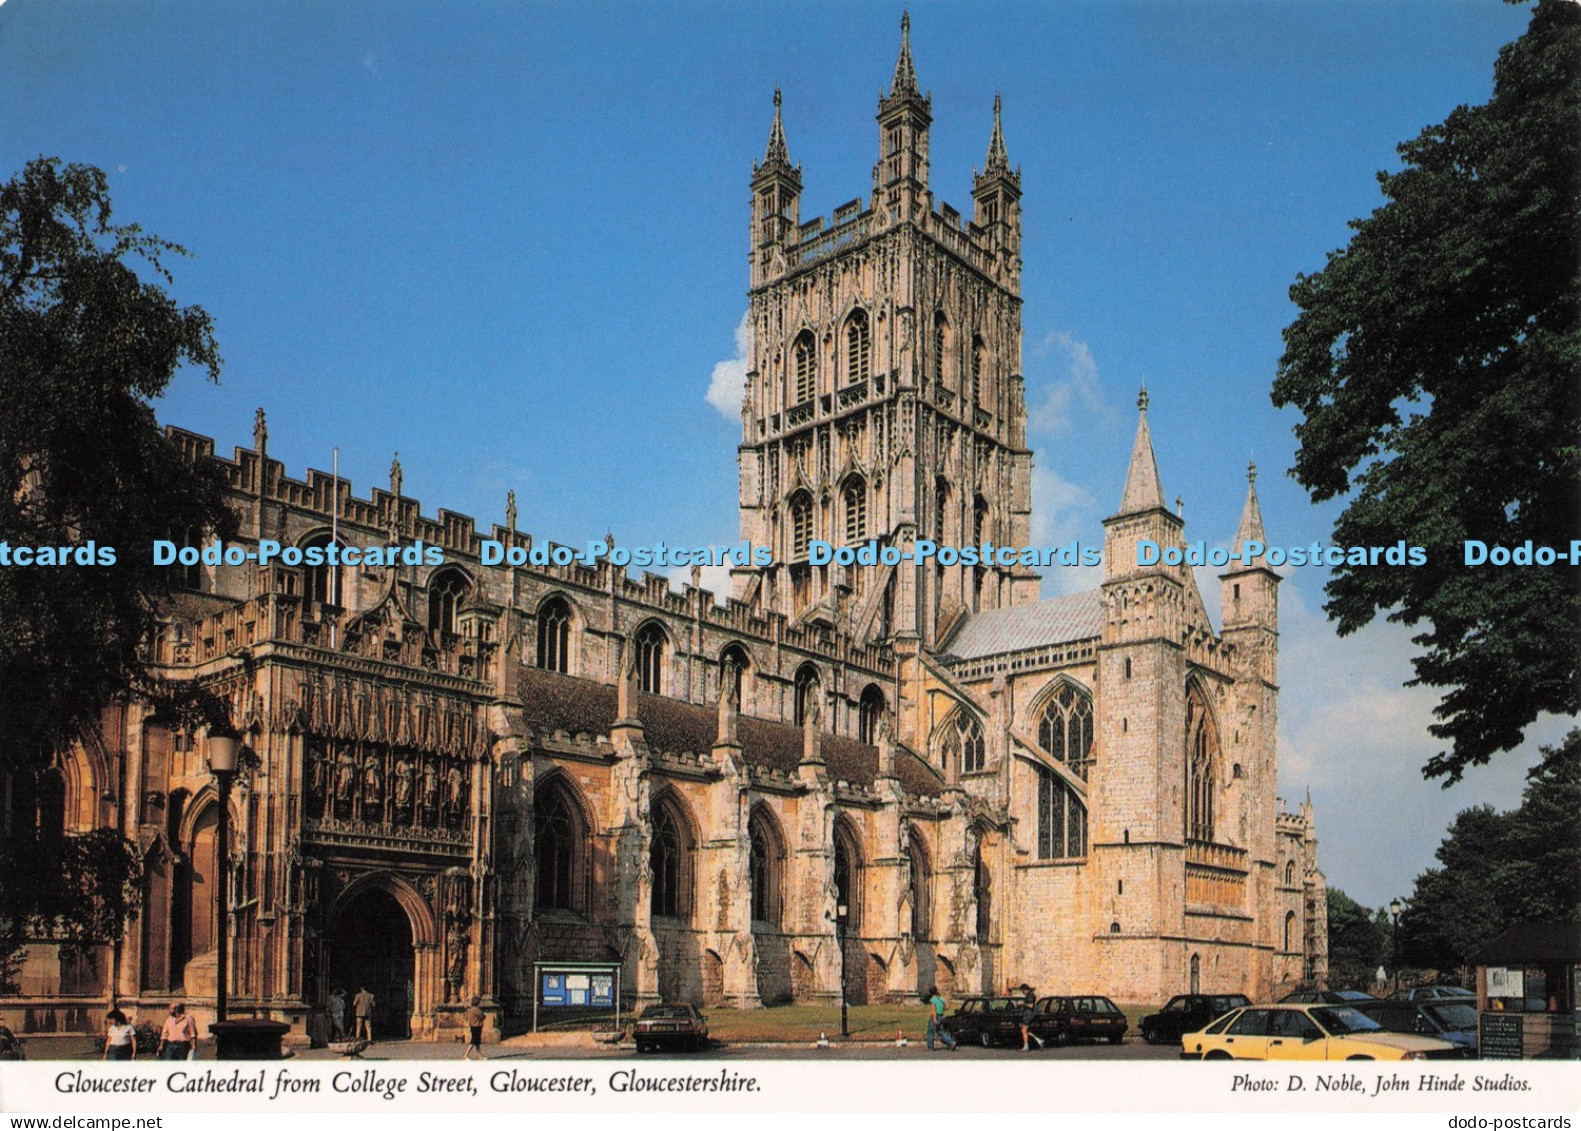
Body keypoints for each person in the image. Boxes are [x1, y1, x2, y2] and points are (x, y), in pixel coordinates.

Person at [924, 986, 957, 1051]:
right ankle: (952, 1042)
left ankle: (930, 1047)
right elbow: (948, 1006)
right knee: (940, 1031)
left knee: (930, 1032)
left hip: (936, 1017)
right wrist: (942, 1009)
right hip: (941, 1016)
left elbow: (934, 1011)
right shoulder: (941, 999)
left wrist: (935, 1019)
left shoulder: (933, 1000)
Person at [1018, 984, 1044, 1050]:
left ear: (1025, 990)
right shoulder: (1029, 995)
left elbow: (1031, 1005)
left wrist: (1022, 1003)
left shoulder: (1030, 995)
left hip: (1028, 1015)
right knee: (1026, 1030)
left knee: (1023, 1030)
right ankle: (1039, 1040)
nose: (1022, 992)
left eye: (1022, 991)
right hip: (1027, 1014)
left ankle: (1026, 1046)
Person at [462, 995, 485, 1060]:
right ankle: (465, 1055)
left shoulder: (471, 1009)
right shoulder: (476, 1009)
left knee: (477, 1043)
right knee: (473, 1042)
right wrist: (484, 1015)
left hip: (472, 1026)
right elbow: (482, 1016)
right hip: (477, 1027)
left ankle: (480, 1056)